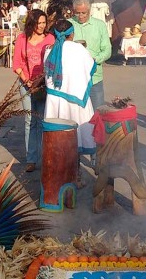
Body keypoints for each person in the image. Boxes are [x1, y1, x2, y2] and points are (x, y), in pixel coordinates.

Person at [43, 18, 97, 178]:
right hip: (76, 101)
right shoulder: (79, 49)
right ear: (71, 33)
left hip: (56, 102)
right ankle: (76, 174)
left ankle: (61, 175)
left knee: (59, 139)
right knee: (76, 137)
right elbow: (91, 67)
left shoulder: (49, 50)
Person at [13, 9, 53, 172]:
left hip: (43, 84)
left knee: (42, 120)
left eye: (44, 23)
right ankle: (31, 158)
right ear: (32, 23)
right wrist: (27, 80)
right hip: (26, 84)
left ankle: (45, 156)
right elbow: (17, 63)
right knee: (30, 120)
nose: (42, 26)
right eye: (39, 23)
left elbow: (52, 62)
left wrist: (40, 80)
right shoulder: (22, 39)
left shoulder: (50, 39)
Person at [70, 0, 113, 106]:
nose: (80, 16)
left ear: (89, 10)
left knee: (97, 111)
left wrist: (95, 59)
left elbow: (107, 50)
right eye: (77, 13)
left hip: (94, 77)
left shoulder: (100, 25)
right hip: (75, 78)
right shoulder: (69, 24)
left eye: (84, 13)